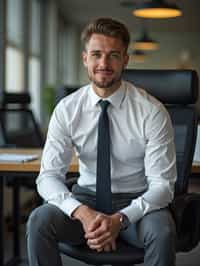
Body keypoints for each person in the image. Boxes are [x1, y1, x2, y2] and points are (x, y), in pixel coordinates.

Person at [27, 17, 177, 266]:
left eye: (113, 55)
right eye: (96, 54)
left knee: (162, 231)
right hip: (85, 198)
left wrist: (119, 219)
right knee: (39, 220)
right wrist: (83, 213)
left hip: (135, 202)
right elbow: (48, 177)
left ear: (125, 60)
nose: (104, 64)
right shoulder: (67, 109)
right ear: (85, 58)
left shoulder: (151, 111)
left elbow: (163, 186)